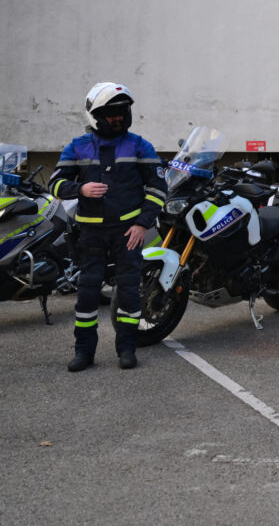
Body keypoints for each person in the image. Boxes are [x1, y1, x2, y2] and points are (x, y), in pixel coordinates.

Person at [49, 83, 166, 371]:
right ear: (95, 115)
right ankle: (83, 352)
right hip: (91, 234)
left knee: (128, 290)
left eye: (122, 111)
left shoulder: (140, 145)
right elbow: (55, 184)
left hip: (128, 232)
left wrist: (142, 224)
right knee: (88, 291)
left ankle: (127, 348)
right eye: (112, 113)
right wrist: (81, 188)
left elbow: (158, 189)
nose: (118, 118)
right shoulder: (77, 146)